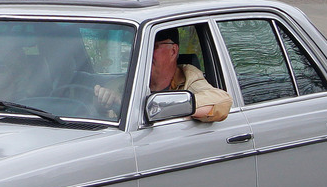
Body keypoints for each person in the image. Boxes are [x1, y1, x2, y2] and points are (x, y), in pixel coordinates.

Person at [95, 27, 231, 122]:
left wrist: (166, 107)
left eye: (152, 47)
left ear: (173, 51)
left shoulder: (189, 77)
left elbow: (222, 101)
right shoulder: (120, 84)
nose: (143, 53)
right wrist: (102, 105)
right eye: (138, 47)